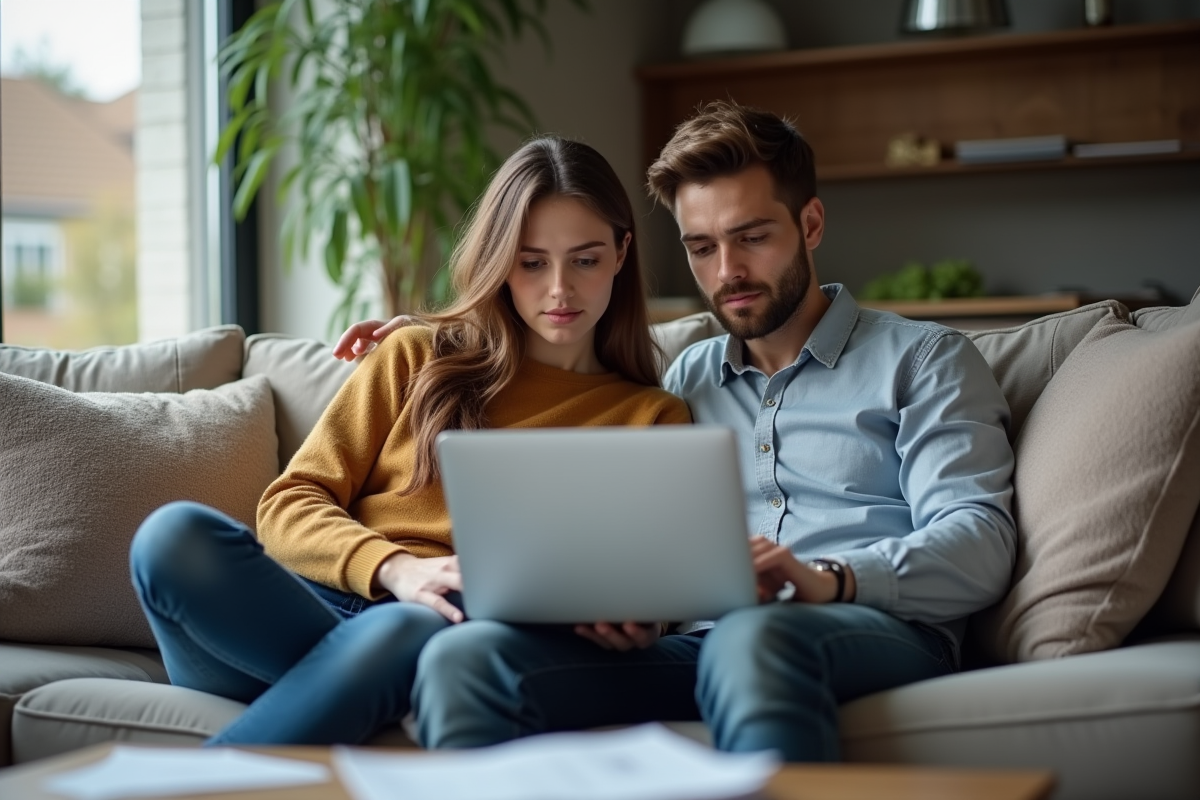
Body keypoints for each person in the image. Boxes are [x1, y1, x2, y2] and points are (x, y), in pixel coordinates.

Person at [345, 100, 1016, 761]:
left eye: (752, 237)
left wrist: (828, 578)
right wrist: (445, 340)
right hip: (697, 643)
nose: (727, 272)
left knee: (753, 637)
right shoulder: (685, 378)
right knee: (467, 657)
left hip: (869, 627)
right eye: (701, 247)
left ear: (810, 224)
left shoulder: (923, 360)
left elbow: (981, 541)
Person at [127, 136, 690, 747]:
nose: (560, 289)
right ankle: (347, 688)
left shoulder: (651, 417)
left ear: (620, 252)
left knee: (407, 629)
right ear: (501, 262)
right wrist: (396, 569)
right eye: (532, 263)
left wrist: (637, 616)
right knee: (171, 536)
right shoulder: (417, 355)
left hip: (437, 629)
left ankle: (207, 778)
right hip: (311, 609)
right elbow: (288, 504)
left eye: (584, 260)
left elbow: (652, 585)